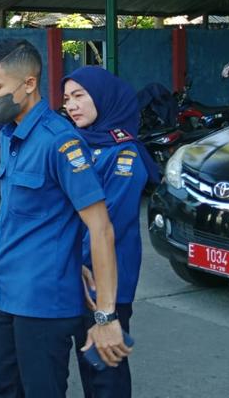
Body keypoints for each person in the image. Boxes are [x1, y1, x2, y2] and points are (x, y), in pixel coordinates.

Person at [0, 39, 130, 398]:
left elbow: (100, 228)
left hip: (44, 303)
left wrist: (106, 315)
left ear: (29, 84)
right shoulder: (9, 135)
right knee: (7, 386)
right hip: (7, 294)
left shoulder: (60, 142)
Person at [63, 66, 157, 398]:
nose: (71, 106)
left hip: (105, 279)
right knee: (88, 360)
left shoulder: (124, 153)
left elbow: (107, 225)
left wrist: (70, 258)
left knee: (104, 368)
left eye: (79, 96)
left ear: (104, 98)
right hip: (76, 272)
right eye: (66, 99)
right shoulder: (79, 144)